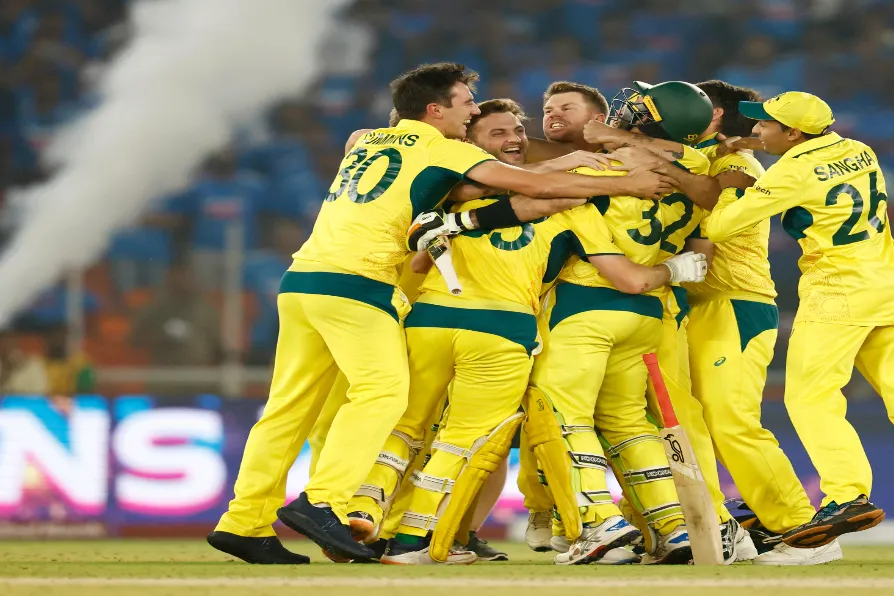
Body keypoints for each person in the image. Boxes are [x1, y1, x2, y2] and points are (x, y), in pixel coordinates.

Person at [208, 62, 677, 565]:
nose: (472, 109)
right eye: (465, 102)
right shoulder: (444, 149)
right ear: (436, 109)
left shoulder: (368, 140)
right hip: (359, 283)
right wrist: (625, 184)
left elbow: (495, 188)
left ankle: (245, 523)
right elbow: (528, 188)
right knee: (385, 393)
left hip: (304, 280)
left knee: (287, 409)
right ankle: (324, 503)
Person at [368, 98, 707, 565]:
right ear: (468, 144)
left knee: (407, 425)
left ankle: (368, 509)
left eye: (517, 132)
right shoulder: (573, 204)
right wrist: (670, 261)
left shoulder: (447, 193)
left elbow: (420, 257)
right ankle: (414, 541)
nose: (514, 140)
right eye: (498, 134)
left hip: (433, 318)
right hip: (506, 329)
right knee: (466, 439)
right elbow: (627, 272)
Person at [703, 91, 894, 556]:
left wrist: (726, 185)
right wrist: (748, 146)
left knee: (809, 397)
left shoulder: (791, 171)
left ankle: (846, 495)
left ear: (794, 133)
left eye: (766, 125)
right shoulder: (858, 150)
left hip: (839, 292)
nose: (757, 129)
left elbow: (722, 227)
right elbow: (803, 158)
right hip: (893, 285)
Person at [525, 80, 717, 565]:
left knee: (562, 415)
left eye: (639, 107)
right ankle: (674, 527)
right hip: (647, 316)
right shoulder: (692, 166)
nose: (625, 108)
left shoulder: (602, 168)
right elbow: (678, 159)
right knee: (628, 422)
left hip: (588, 303)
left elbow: (535, 177)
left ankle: (597, 523)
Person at [685, 80, 822, 565]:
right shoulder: (707, 160)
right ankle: (714, 525)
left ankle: (803, 531)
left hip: (736, 302)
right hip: (696, 306)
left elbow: (708, 232)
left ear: (714, 114)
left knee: (730, 419)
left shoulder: (736, 166)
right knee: (691, 423)